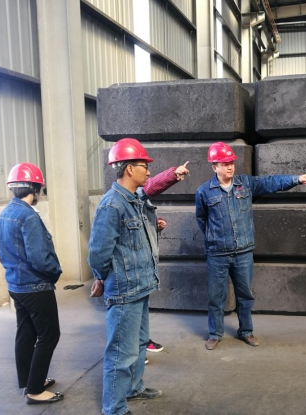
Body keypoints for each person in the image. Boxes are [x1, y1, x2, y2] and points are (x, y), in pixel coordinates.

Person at [88, 138, 189, 415]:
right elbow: (98, 252)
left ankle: (133, 388)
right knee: (121, 352)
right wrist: (101, 278)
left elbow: (132, 236)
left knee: (140, 344)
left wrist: (154, 227)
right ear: (129, 169)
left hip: (141, 285)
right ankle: (114, 408)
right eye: (144, 166)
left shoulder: (135, 200)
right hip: (124, 289)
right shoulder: (112, 205)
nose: (148, 171)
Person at [195, 142, 306, 350]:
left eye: (231, 162)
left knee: (245, 295)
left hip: (243, 252)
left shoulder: (245, 184)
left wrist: (295, 179)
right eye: (224, 164)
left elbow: (270, 182)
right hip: (217, 254)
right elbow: (202, 219)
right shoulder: (204, 192)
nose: (230, 167)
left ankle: (246, 331)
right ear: (214, 167)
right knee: (216, 297)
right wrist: (215, 238)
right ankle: (215, 333)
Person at [0, 163, 64, 405]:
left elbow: (2, 253)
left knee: (25, 333)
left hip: (15, 286)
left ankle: (29, 381)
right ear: (34, 189)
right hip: (36, 287)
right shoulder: (28, 216)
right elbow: (39, 259)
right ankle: (35, 391)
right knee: (49, 335)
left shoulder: (3, 214)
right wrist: (55, 272)